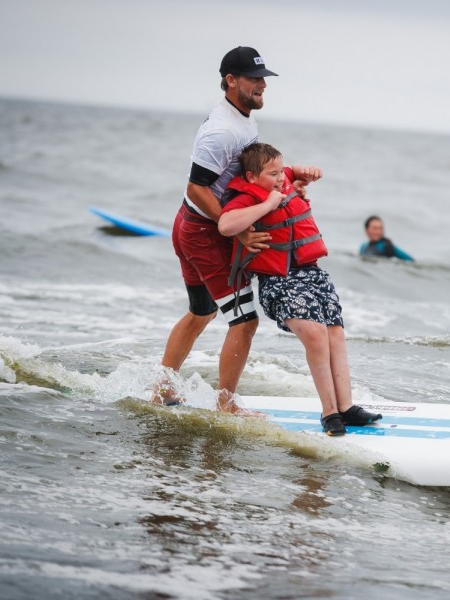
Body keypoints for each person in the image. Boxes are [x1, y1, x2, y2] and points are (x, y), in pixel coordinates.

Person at [218, 142, 383, 436]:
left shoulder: (283, 180)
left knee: (335, 334)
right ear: (253, 178)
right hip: (278, 282)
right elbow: (225, 225)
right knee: (316, 336)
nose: (280, 178)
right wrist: (267, 205)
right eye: (273, 174)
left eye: (282, 171)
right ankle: (329, 412)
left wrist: (306, 171)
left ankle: (347, 408)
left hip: (312, 274)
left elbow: (294, 171)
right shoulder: (247, 198)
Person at [154, 46, 277, 413]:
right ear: (230, 80)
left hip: (190, 225)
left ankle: (162, 390)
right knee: (245, 321)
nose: (261, 86)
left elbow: (241, 175)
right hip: (203, 233)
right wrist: (235, 229)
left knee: (202, 311)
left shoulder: (241, 119)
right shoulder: (222, 130)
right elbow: (197, 187)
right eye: (254, 79)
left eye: (263, 79)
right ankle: (227, 405)